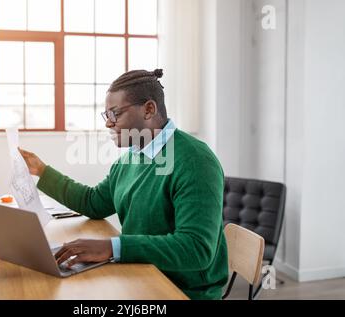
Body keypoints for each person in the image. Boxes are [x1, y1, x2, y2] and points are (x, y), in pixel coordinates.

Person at [19, 69, 229, 300]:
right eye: (106, 115)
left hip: (182, 292)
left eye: (115, 113)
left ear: (149, 109)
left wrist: (112, 247)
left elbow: (196, 249)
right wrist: (41, 170)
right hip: (140, 276)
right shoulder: (132, 157)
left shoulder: (194, 161)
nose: (109, 123)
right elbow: (94, 202)